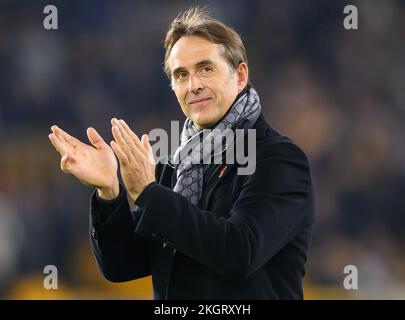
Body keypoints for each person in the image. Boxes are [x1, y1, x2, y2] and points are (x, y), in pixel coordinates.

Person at [48, 7, 315, 299]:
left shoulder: (279, 159)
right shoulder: (173, 169)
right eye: (181, 75)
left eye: (206, 68)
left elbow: (239, 252)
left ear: (240, 75)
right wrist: (110, 192)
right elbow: (122, 266)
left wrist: (148, 193)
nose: (194, 85)